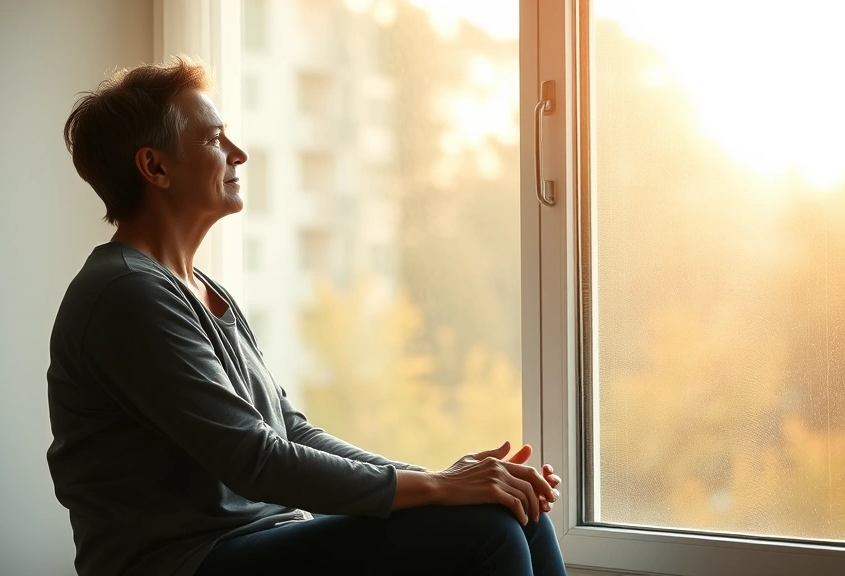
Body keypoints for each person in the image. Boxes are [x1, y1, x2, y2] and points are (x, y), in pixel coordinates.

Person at [47, 55, 567, 576]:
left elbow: (290, 431)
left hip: (265, 539)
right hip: (187, 562)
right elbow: (258, 461)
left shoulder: (199, 289)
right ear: (155, 167)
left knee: (517, 514)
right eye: (213, 140)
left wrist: (445, 480)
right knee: (487, 529)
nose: (239, 153)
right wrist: (441, 488)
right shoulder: (125, 293)